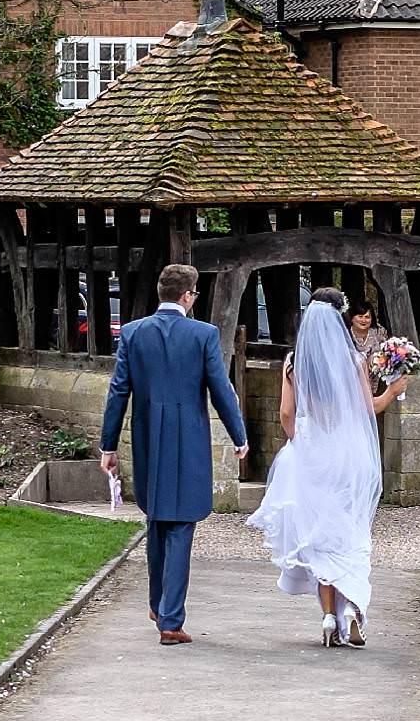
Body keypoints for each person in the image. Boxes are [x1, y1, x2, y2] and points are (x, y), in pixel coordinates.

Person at [99, 263, 251, 645]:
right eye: (195, 293)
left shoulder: (133, 333)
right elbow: (220, 389)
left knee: (157, 518)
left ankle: (157, 602)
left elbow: (118, 392)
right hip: (188, 439)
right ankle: (170, 620)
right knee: (181, 524)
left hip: (148, 437)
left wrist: (109, 446)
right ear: (187, 296)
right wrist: (239, 436)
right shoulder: (204, 334)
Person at [253, 287, 387, 648]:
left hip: (311, 451)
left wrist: (302, 440)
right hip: (345, 451)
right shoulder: (353, 360)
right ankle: (351, 610)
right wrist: (395, 389)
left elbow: (285, 414)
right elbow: (367, 408)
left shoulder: (294, 362)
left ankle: (328, 616)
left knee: (320, 535)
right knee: (351, 531)